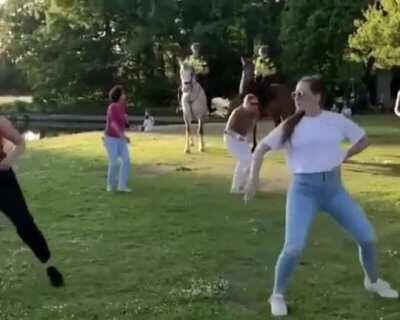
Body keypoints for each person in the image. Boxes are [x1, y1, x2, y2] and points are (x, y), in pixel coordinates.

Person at [244, 75, 398, 317]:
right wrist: (253, 179)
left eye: (301, 94)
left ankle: (373, 280)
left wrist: (344, 156)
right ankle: (277, 294)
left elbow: (363, 139)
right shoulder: (289, 125)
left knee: (367, 237)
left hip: (334, 190)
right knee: (293, 247)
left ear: (317, 96)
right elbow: (260, 149)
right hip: (303, 191)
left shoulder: (336, 121)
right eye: (294, 94)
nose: (296, 98)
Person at [0, 116, 64, 287]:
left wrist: (7, 161)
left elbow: (20, 143)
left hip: (2, 181)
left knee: (25, 224)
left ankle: (49, 265)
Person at [224, 94, 260, 194]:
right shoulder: (237, 112)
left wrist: (250, 139)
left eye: (257, 103)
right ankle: (236, 188)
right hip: (231, 138)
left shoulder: (255, 113)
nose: (255, 106)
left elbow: (252, 127)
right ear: (246, 103)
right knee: (245, 160)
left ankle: (246, 184)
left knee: (251, 161)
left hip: (242, 138)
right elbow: (227, 129)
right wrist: (237, 136)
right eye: (252, 103)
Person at [103, 85, 131, 193]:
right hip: (111, 139)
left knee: (126, 160)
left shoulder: (122, 106)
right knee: (114, 162)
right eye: (123, 93)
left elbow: (124, 123)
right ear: (118, 95)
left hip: (120, 139)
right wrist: (123, 136)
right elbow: (113, 124)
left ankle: (122, 186)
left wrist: (127, 121)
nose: (125, 95)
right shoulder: (112, 107)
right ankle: (110, 185)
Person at [183, 42, 215, 114]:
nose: (195, 50)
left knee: (207, 89)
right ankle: (181, 105)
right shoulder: (188, 59)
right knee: (181, 89)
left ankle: (209, 107)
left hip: (200, 78)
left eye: (197, 49)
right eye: (194, 49)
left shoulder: (202, 59)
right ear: (192, 49)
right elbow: (184, 68)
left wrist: (200, 71)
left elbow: (207, 70)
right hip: (189, 78)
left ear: (198, 50)